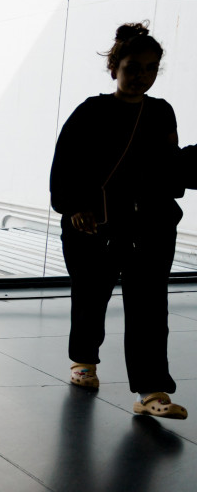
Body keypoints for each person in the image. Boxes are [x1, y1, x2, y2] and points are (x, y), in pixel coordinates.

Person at [50, 21, 187, 419]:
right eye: (133, 67)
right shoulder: (90, 111)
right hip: (94, 227)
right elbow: (65, 167)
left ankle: (151, 390)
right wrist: (75, 208)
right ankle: (83, 361)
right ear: (114, 67)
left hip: (149, 225)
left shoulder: (161, 112)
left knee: (149, 307)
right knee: (91, 297)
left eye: (150, 68)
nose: (141, 76)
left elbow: (171, 166)